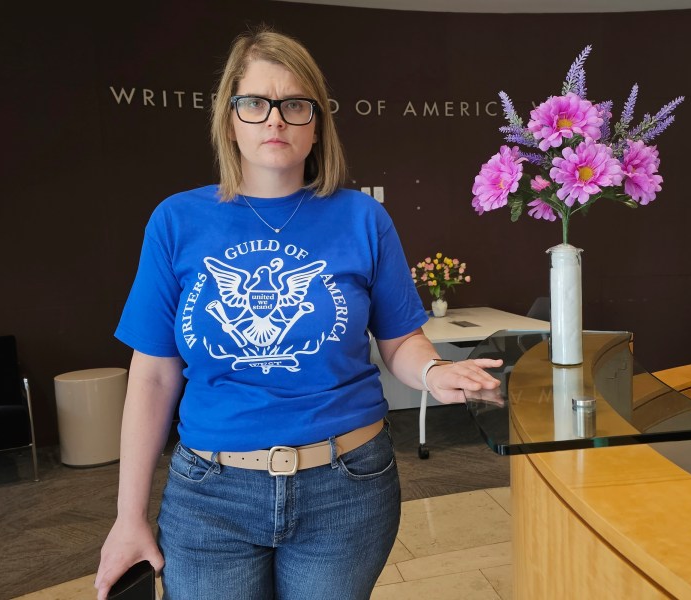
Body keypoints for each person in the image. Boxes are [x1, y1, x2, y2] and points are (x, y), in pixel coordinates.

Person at [94, 26, 503, 600]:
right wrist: (127, 516)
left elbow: (399, 341)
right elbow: (154, 376)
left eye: (294, 105)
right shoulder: (176, 221)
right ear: (229, 120)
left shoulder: (362, 218)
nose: (275, 120)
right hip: (210, 496)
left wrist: (434, 371)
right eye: (255, 103)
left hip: (347, 488)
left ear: (317, 124)